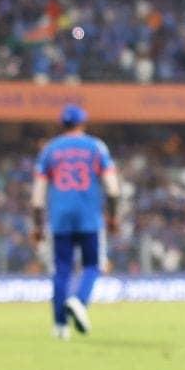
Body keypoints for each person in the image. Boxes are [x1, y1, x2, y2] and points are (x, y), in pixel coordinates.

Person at [31, 105, 121, 339]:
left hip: (59, 218)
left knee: (61, 270)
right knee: (92, 265)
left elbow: (38, 194)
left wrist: (37, 225)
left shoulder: (50, 150)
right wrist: (113, 217)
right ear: (83, 123)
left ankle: (60, 326)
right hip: (89, 217)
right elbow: (113, 189)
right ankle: (79, 301)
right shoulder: (96, 147)